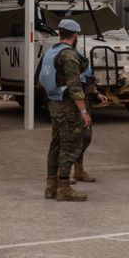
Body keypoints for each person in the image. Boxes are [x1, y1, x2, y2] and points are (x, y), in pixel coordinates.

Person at [37, 19, 93, 202]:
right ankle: (64, 188)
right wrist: (84, 112)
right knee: (69, 146)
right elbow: (75, 87)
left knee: (56, 145)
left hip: (53, 103)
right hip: (67, 105)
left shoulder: (50, 52)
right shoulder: (69, 56)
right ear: (75, 35)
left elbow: (40, 78)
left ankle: (51, 187)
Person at [72, 60, 109, 183]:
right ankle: (62, 173)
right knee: (70, 139)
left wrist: (97, 94)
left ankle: (78, 171)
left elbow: (89, 81)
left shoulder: (82, 59)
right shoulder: (67, 59)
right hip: (72, 104)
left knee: (85, 137)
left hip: (85, 101)